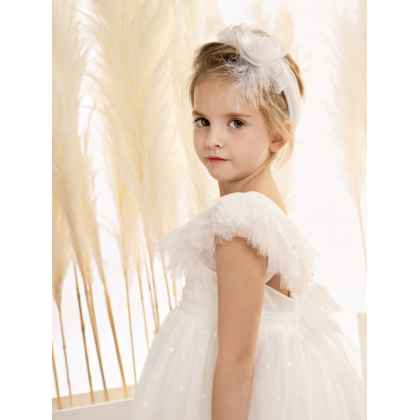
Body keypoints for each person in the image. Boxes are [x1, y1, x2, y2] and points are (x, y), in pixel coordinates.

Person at [129, 23, 365, 420]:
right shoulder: (264, 204)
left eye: (236, 123)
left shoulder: (239, 223)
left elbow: (237, 360)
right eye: (202, 121)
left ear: (277, 136)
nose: (213, 139)